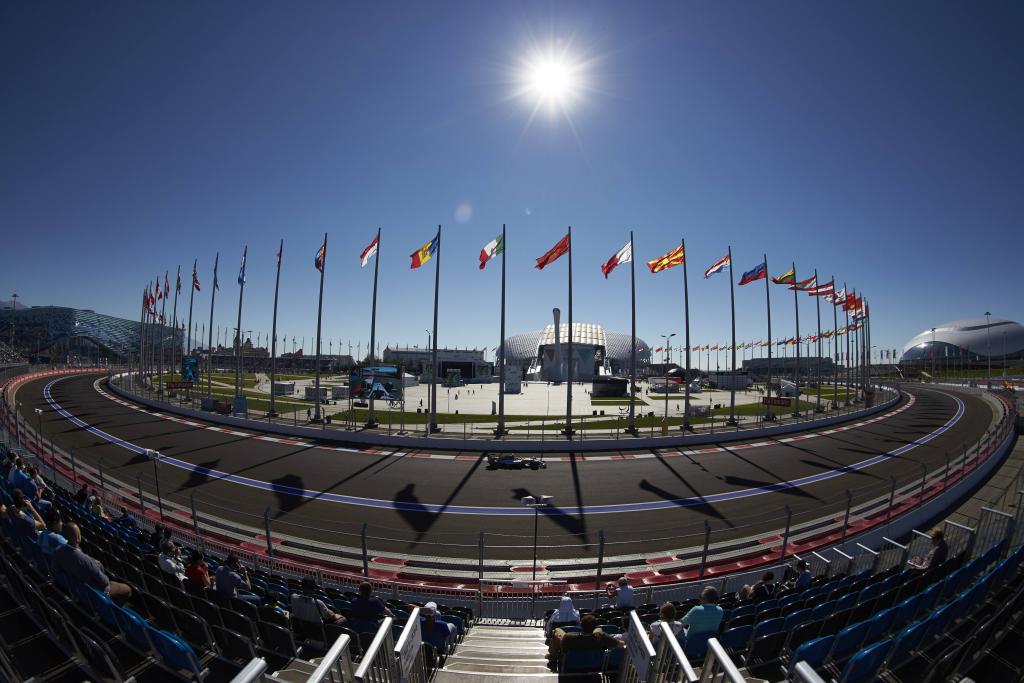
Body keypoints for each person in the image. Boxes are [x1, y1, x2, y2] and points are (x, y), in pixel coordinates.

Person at [52, 523, 131, 604]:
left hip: (74, 588)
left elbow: (56, 569)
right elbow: (104, 582)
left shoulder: (57, 551)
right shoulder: (85, 560)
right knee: (127, 589)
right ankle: (111, 608)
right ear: (78, 538)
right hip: (93, 594)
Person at [547, 614, 624, 668]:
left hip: (572, 664)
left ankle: (552, 659)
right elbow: (621, 644)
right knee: (599, 630)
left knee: (557, 631)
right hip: (594, 664)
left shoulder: (568, 637)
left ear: (581, 626)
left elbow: (563, 647)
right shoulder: (601, 636)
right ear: (594, 628)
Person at [681, 587, 724, 654]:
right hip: (708, 644)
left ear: (704, 598)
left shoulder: (696, 610)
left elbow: (681, 624)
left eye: (700, 596)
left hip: (692, 643)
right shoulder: (720, 610)